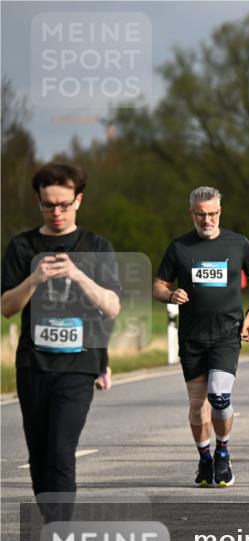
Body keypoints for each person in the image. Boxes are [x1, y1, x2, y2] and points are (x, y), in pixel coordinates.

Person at [2, 163, 122, 521]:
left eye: (64, 204)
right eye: (48, 205)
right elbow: (7, 308)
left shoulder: (96, 246)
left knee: (59, 449)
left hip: (79, 365)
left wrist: (78, 275)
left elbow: (112, 307)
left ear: (78, 200)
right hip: (33, 365)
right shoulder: (23, 246)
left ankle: (58, 537)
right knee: (39, 455)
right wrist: (35, 279)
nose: (56, 212)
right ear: (38, 202)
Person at [153, 186, 249, 488]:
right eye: (201, 214)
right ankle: (204, 458)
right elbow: (158, 285)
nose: (207, 220)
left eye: (213, 213)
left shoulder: (238, 244)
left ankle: (223, 452)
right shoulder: (179, 248)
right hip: (192, 337)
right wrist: (170, 294)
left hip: (227, 333)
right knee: (197, 403)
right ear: (192, 213)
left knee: (219, 395)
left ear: (220, 212)